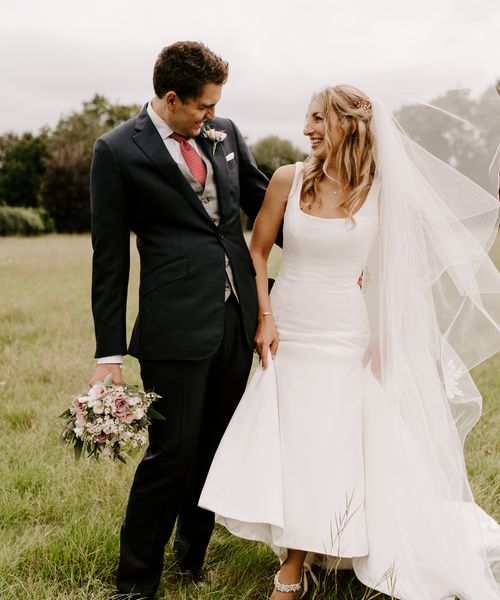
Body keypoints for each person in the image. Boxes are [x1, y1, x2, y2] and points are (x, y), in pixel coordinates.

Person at [199, 84, 500, 599]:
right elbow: (258, 250)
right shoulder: (287, 180)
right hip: (290, 327)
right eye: (306, 118)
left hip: (346, 333)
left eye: (317, 118)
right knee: (293, 444)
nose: (306, 129)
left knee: (328, 444)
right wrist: (265, 317)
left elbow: (393, 271)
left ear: (347, 125)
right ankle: (304, 550)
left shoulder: (381, 189)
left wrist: (383, 338)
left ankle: (291, 573)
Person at [89, 41, 268, 599]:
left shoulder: (226, 133)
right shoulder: (117, 150)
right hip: (174, 327)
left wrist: (339, 244)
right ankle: (136, 580)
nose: (213, 115)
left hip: (239, 318)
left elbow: (264, 203)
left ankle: (192, 560)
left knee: (215, 448)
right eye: (203, 107)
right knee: (173, 453)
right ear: (171, 98)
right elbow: (110, 259)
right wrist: (108, 355)